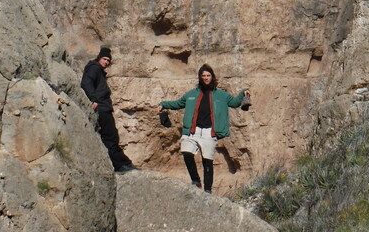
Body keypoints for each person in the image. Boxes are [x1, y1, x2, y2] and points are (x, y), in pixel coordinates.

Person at [157, 64, 248, 193]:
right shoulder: (191, 94)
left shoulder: (221, 95)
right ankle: (196, 181)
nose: (206, 78)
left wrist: (243, 93)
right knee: (186, 153)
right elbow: (178, 103)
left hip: (209, 132)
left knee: (207, 162)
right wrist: (163, 104)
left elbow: (234, 102)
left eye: (208, 75)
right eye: (203, 75)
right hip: (192, 131)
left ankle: (207, 192)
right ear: (200, 77)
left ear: (212, 77)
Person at [81, 47, 137, 173]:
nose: (106, 62)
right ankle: (121, 165)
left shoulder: (98, 70)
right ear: (99, 58)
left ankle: (119, 164)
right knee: (111, 137)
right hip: (101, 108)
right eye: (104, 59)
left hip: (104, 107)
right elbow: (86, 83)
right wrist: (93, 99)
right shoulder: (94, 68)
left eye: (108, 61)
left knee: (110, 137)